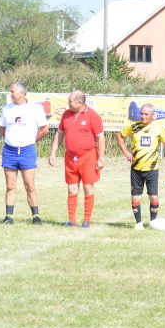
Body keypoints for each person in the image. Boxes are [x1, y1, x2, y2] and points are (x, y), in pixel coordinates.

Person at [49, 90, 105, 228]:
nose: (68, 103)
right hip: (70, 158)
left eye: (70, 101)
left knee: (88, 188)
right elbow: (60, 134)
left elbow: (100, 138)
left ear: (80, 102)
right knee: (71, 189)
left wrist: (101, 158)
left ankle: (86, 220)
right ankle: (71, 220)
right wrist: (53, 153)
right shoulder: (66, 114)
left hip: (88, 158)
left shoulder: (92, 116)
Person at [116, 103, 165, 229]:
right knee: (135, 197)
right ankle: (139, 224)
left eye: (146, 114)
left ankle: (153, 223)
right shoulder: (134, 127)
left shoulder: (158, 129)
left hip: (152, 169)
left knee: (153, 197)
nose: (143, 116)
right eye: (141, 113)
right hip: (136, 169)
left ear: (152, 115)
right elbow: (119, 135)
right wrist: (126, 152)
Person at [0, 81, 48, 225]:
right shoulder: (7, 109)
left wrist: (31, 140)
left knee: (29, 185)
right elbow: (2, 129)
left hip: (27, 151)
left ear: (22, 93)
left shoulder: (35, 108)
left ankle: (36, 217)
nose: (10, 94)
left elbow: (44, 130)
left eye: (12, 91)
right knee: (10, 186)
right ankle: (9, 217)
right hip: (10, 151)